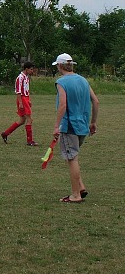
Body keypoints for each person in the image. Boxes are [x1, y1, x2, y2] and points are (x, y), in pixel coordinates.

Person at [52, 53, 99, 203]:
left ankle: (75, 195)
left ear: (60, 66)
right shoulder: (83, 80)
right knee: (72, 156)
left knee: (71, 158)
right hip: (83, 126)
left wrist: (56, 126)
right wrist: (93, 122)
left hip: (69, 126)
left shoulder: (61, 82)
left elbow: (63, 105)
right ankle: (81, 187)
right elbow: (95, 101)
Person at [1, 61, 39, 146]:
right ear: (26, 69)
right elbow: (18, 91)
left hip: (25, 99)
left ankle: (5, 133)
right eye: (31, 69)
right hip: (22, 99)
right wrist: (21, 103)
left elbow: (26, 90)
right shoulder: (20, 77)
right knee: (29, 119)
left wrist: (29, 100)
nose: (32, 71)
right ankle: (30, 141)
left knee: (22, 121)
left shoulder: (26, 77)